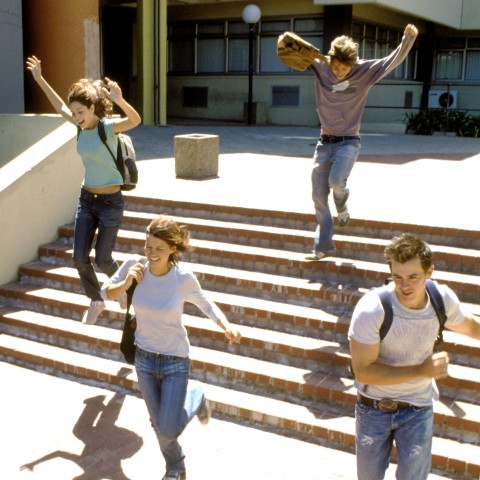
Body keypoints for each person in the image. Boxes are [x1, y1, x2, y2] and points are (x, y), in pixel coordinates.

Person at [101, 215, 242, 480]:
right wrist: (127, 282)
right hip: (143, 359)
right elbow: (105, 292)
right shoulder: (135, 266)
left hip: (175, 360)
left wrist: (226, 326)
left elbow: (206, 304)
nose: (151, 254)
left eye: (159, 249)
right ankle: (175, 467)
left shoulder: (182, 279)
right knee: (159, 426)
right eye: (148, 247)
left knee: (167, 428)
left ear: (172, 250)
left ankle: (196, 396)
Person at [349, 233, 480, 480]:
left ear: (429, 272)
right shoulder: (372, 309)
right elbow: (364, 371)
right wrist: (421, 370)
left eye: (413, 277)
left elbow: (472, 326)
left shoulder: (441, 299)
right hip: (373, 408)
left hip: (418, 408)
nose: (405, 285)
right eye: (397, 277)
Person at [26, 55, 141, 324]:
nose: (76, 117)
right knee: (79, 258)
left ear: (92, 109)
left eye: (81, 112)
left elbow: (136, 120)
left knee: (103, 259)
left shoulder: (106, 128)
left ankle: (124, 287)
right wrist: (40, 78)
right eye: (74, 112)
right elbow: (57, 106)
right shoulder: (80, 129)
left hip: (111, 202)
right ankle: (96, 299)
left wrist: (119, 100)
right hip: (86, 200)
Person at [304, 24, 418, 260]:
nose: (339, 73)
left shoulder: (365, 71)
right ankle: (323, 245)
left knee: (336, 180)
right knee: (317, 194)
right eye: (336, 67)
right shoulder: (320, 66)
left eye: (345, 69)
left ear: (353, 65)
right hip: (324, 142)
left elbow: (391, 61)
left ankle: (342, 205)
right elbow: (294, 53)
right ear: (330, 60)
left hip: (349, 142)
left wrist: (407, 39)